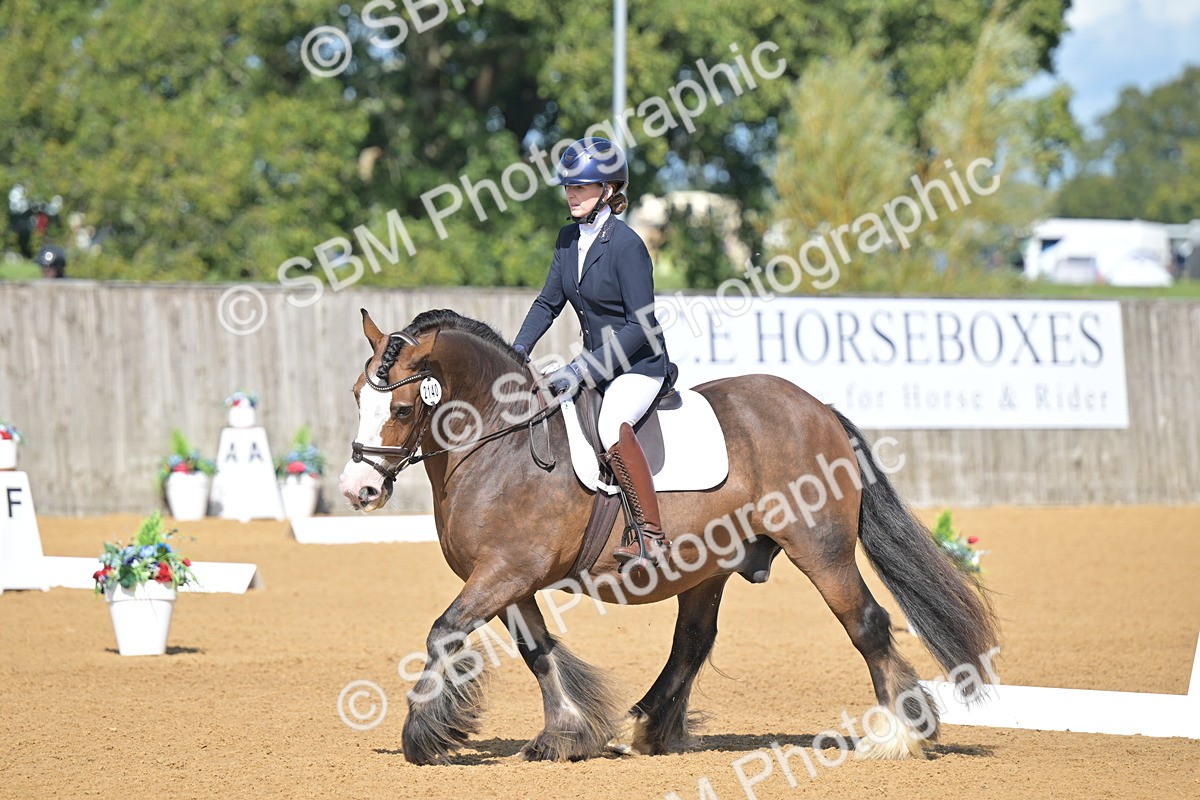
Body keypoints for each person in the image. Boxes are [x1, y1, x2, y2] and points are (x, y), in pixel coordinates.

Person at [512, 137, 673, 565]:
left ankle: (651, 536)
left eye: (581, 186)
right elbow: (547, 303)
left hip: (638, 365)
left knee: (610, 426)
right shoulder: (567, 239)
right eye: (568, 186)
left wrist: (583, 370)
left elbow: (641, 325)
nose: (571, 193)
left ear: (608, 189)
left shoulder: (627, 245)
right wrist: (516, 349)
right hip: (594, 365)